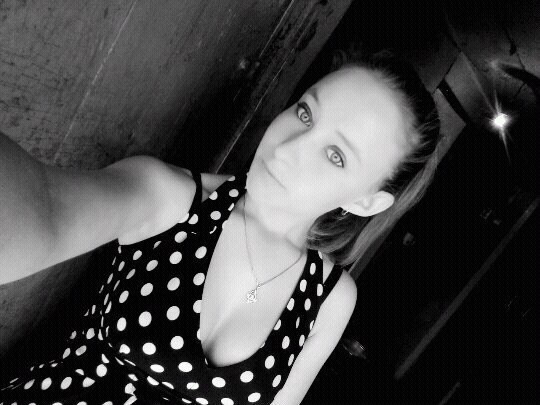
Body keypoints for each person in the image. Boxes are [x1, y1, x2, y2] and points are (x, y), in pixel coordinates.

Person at [0, 50, 440, 405]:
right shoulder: (169, 199)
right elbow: (45, 214)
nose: (287, 148)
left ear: (366, 201)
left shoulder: (330, 299)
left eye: (336, 155)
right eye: (306, 113)